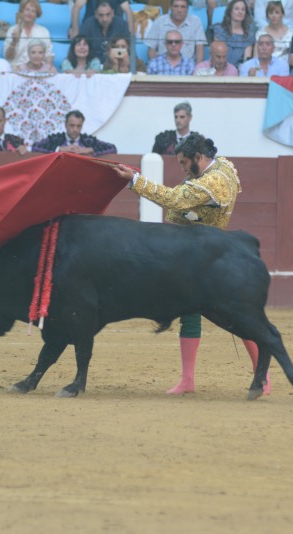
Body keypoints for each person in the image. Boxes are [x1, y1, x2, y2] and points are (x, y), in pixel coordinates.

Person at [110, 134, 267, 396]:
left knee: (239, 318)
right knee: (189, 314)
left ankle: (262, 377)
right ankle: (188, 380)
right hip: (195, 256)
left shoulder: (215, 180)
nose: (182, 169)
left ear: (198, 157)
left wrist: (135, 181)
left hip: (212, 260)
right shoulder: (217, 167)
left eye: (184, 163)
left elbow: (174, 199)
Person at [32, 110, 117, 156]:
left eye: (78, 126)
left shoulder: (88, 141)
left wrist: (89, 149)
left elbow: (112, 148)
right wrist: (59, 149)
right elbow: (35, 147)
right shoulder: (56, 139)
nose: (75, 129)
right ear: (65, 125)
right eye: (72, 125)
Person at [4, 0, 53, 70]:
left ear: (36, 15)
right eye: (27, 10)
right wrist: (14, 42)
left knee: (53, 70)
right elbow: (8, 57)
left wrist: (45, 69)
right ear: (22, 11)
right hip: (16, 69)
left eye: (33, 11)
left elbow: (49, 55)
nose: (29, 13)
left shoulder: (43, 31)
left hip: (38, 69)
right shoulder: (12, 30)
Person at [211, 0, 255, 68]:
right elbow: (217, 54)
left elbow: (247, 61)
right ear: (230, 11)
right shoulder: (219, 30)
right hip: (219, 68)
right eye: (236, 9)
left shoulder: (249, 35)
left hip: (238, 71)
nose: (240, 12)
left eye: (243, 9)